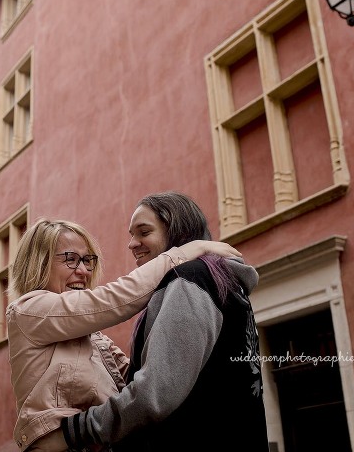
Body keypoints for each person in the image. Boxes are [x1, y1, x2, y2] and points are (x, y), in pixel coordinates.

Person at [6, 217, 241, 452]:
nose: (83, 271)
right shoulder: (28, 311)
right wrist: (189, 250)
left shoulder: (93, 337)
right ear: (38, 262)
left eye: (88, 260)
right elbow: (115, 298)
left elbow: (138, 378)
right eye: (70, 259)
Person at [60, 192, 269, 451]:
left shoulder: (190, 281)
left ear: (178, 231)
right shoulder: (221, 285)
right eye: (131, 235)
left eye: (144, 232)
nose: (132, 244)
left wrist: (76, 430)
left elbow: (153, 395)